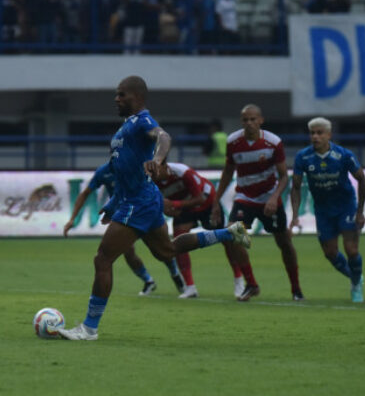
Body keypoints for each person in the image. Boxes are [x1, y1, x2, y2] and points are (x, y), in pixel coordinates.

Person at [58, 76, 250, 341]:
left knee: (103, 259)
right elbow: (121, 171)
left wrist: (158, 159)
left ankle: (89, 328)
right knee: (167, 250)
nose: (117, 99)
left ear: (137, 97)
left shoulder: (142, 121)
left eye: (121, 94)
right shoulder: (124, 129)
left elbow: (163, 136)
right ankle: (228, 234)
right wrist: (112, 204)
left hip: (139, 202)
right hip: (139, 200)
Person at [212, 104, 304, 302]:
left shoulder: (273, 142)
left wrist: (274, 198)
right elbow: (228, 172)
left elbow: (283, 176)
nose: (249, 123)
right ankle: (251, 284)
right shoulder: (233, 141)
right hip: (245, 197)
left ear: (261, 120)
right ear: (241, 122)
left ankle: (296, 289)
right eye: (245, 120)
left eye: (253, 119)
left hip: (269, 197)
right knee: (234, 234)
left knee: (284, 243)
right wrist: (215, 200)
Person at [64, 161, 187, 296]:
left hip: (143, 210)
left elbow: (152, 184)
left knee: (161, 249)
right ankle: (148, 281)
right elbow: (86, 193)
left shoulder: (135, 166)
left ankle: (175, 274)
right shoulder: (103, 172)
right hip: (123, 215)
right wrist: (72, 219)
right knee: (127, 251)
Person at [152, 159, 258, 299]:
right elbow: (161, 204)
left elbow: (200, 198)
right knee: (177, 242)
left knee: (228, 240)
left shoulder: (183, 172)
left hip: (207, 204)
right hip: (185, 208)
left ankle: (239, 281)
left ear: (166, 167)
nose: (155, 173)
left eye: (158, 169)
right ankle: (190, 288)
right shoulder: (151, 180)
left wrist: (174, 204)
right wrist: (168, 210)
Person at [289, 117, 365, 302]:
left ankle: (356, 286)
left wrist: (360, 211)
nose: (315, 137)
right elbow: (296, 187)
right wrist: (294, 216)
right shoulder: (303, 157)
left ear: (329, 135)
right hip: (323, 210)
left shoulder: (344, 155)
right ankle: (355, 277)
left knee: (352, 250)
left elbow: (362, 179)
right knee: (330, 253)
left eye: (319, 133)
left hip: (346, 206)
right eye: (312, 133)